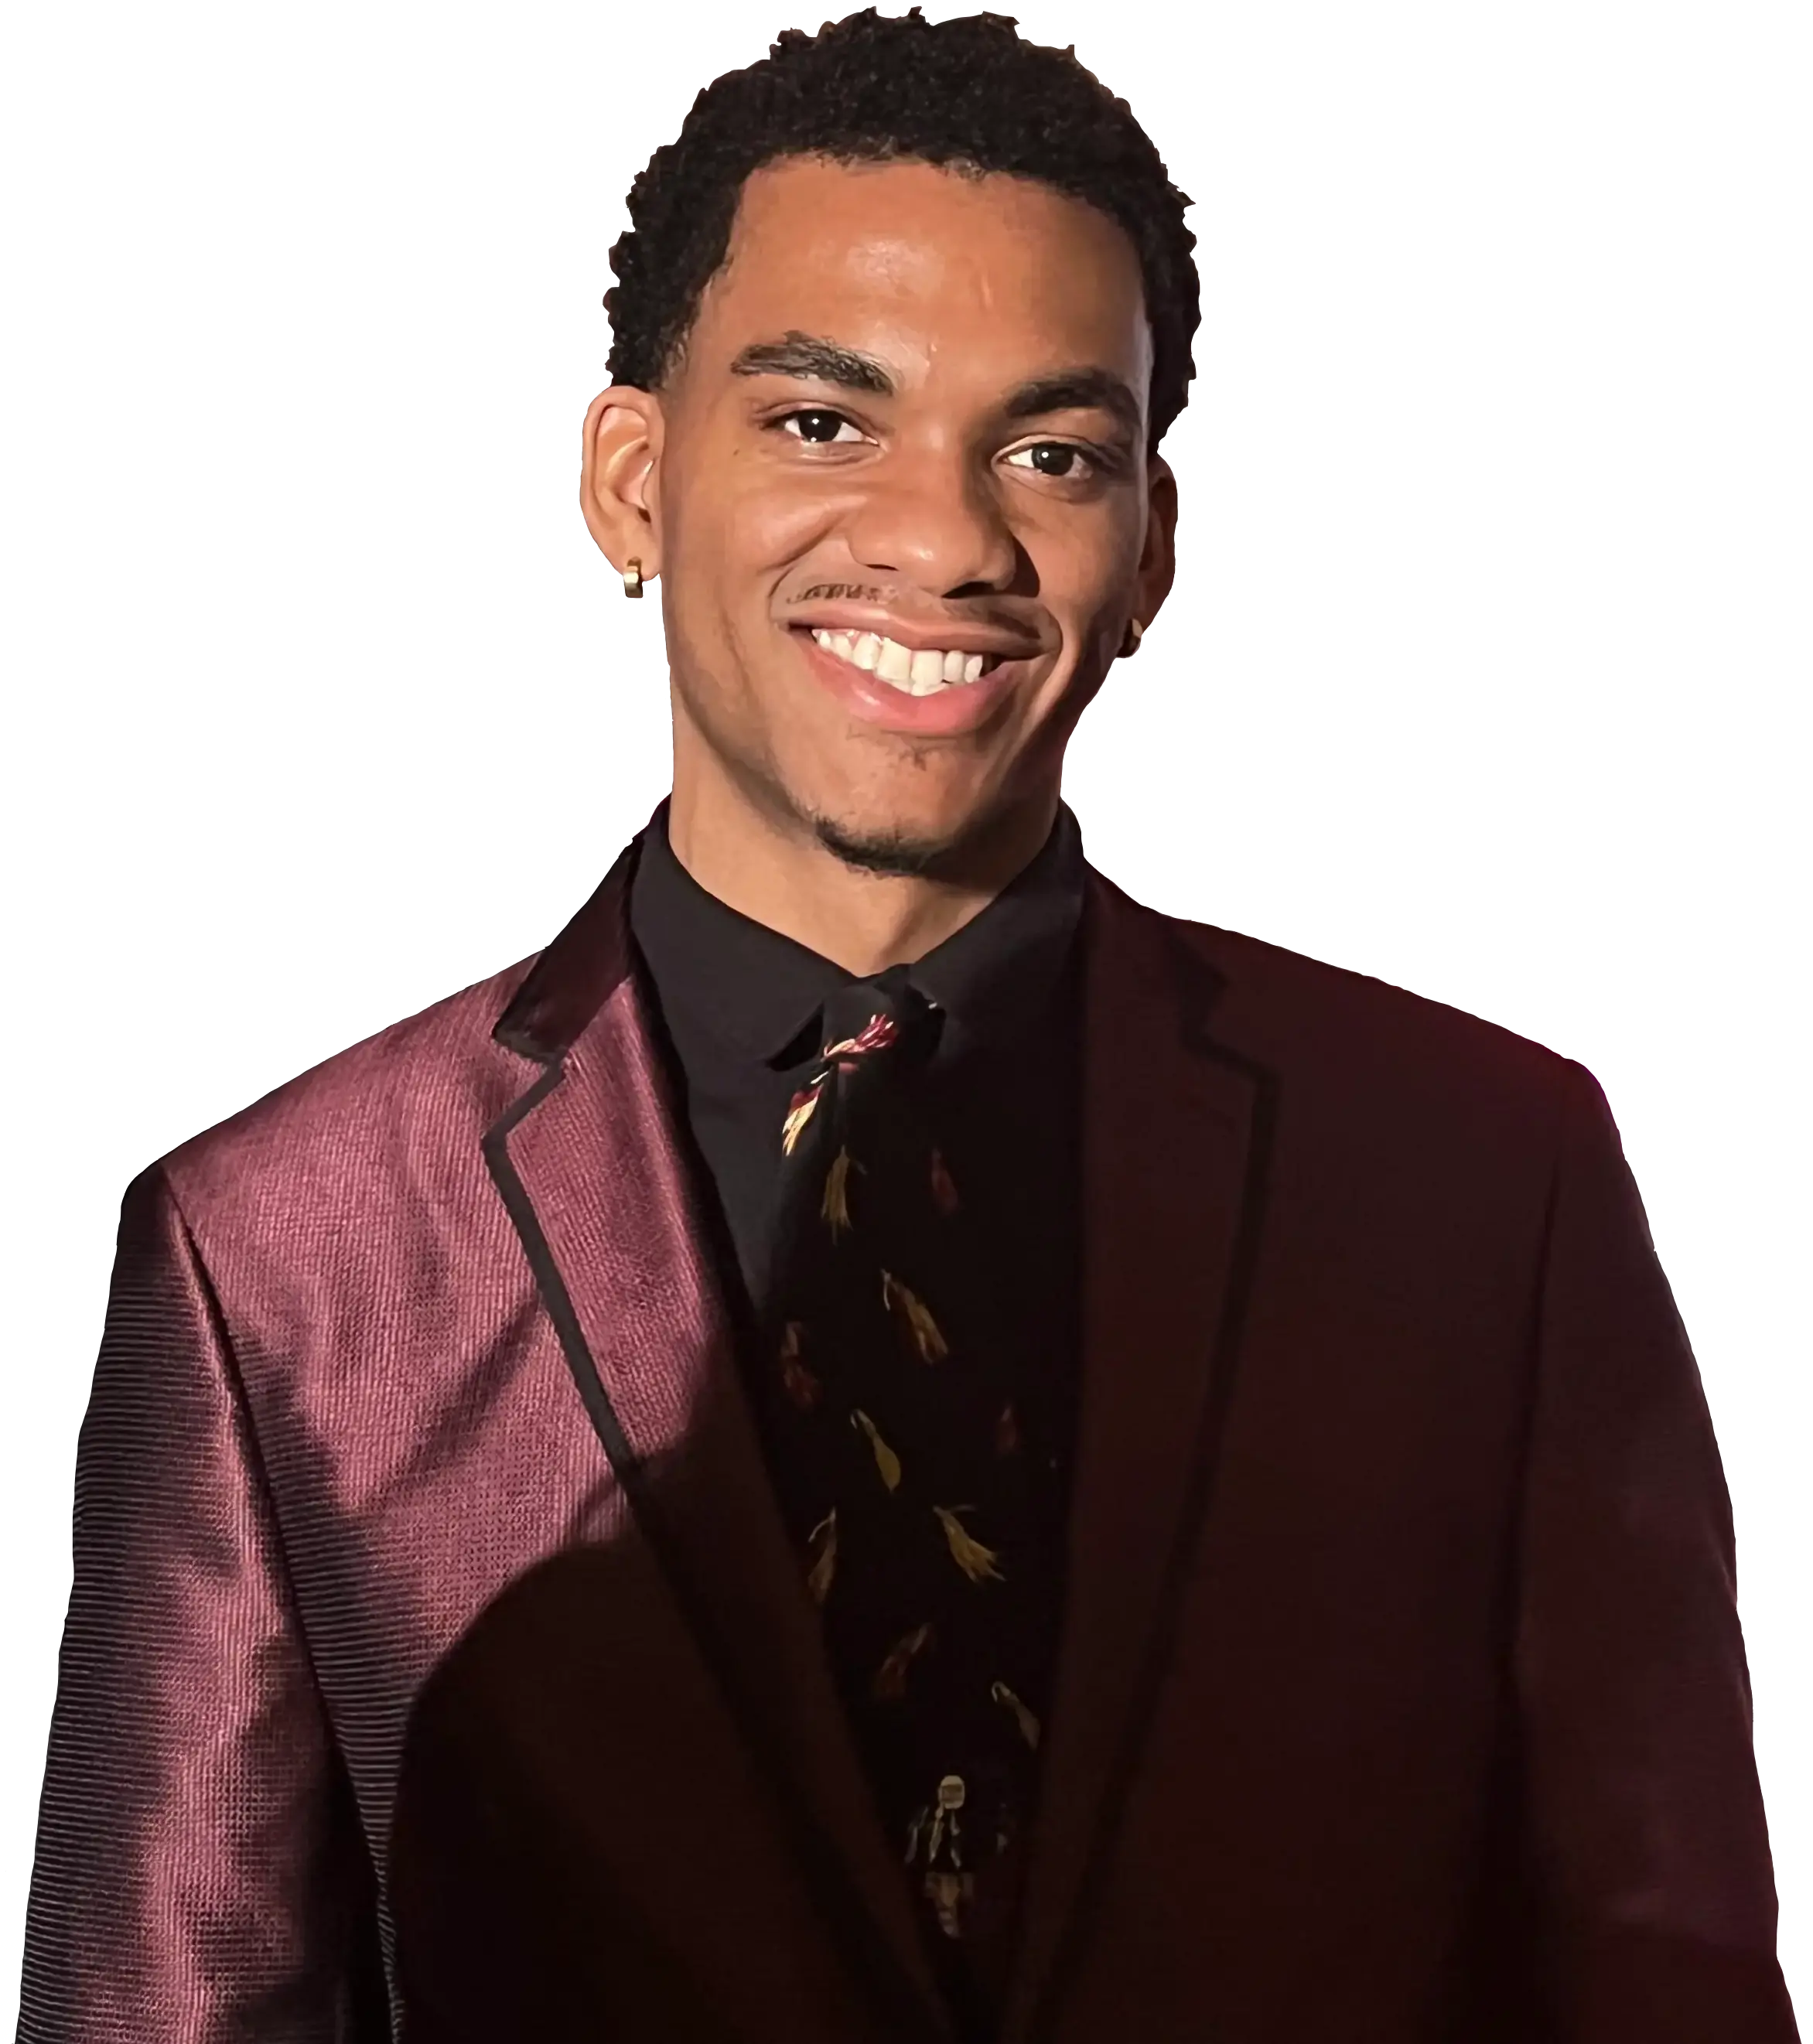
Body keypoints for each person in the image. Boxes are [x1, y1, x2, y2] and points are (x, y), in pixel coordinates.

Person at [14, 10, 1796, 2042]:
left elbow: (1671, 1987)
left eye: (1050, 453)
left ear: (1151, 558)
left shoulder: (1490, 1183)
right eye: (821, 422)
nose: (946, 542)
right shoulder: (279, 1255)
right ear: (628, 484)